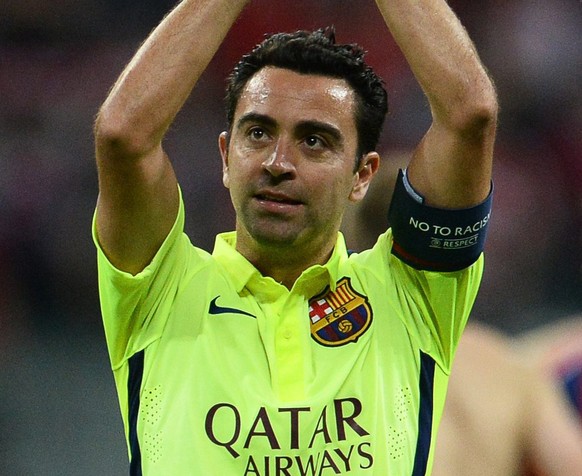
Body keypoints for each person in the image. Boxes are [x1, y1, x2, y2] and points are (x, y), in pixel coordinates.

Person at [92, 0, 497, 473]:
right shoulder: (160, 287)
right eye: (258, 133)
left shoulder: (411, 294)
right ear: (226, 157)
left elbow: (470, 115)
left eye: (314, 141)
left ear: (362, 176)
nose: (277, 162)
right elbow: (123, 135)